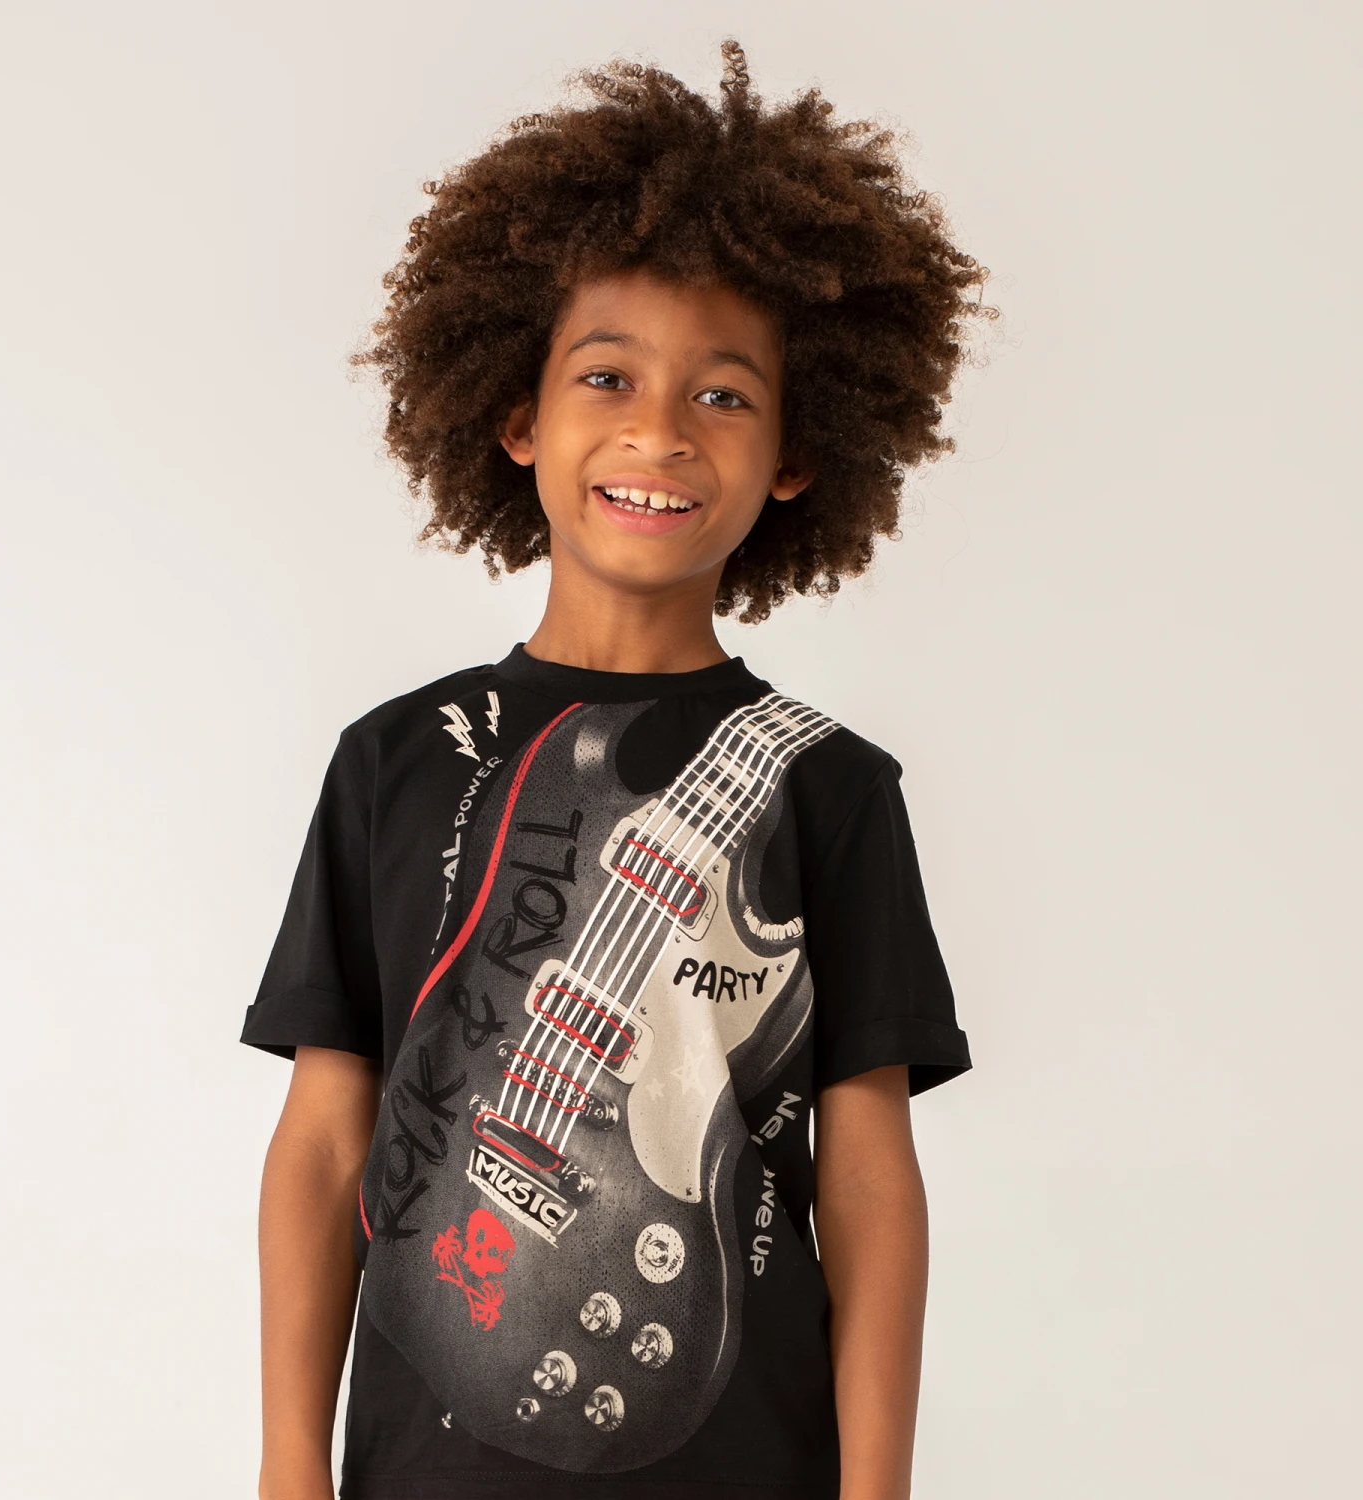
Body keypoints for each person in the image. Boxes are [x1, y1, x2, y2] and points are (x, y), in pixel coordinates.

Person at [242, 40, 982, 1500]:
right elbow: (326, 1138)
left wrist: (878, 1487)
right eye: (607, 376)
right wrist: (285, 1463)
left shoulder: (833, 788)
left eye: (725, 395)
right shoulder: (395, 760)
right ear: (518, 418)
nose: (658, 430)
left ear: (796, 454)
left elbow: (866, 1174)